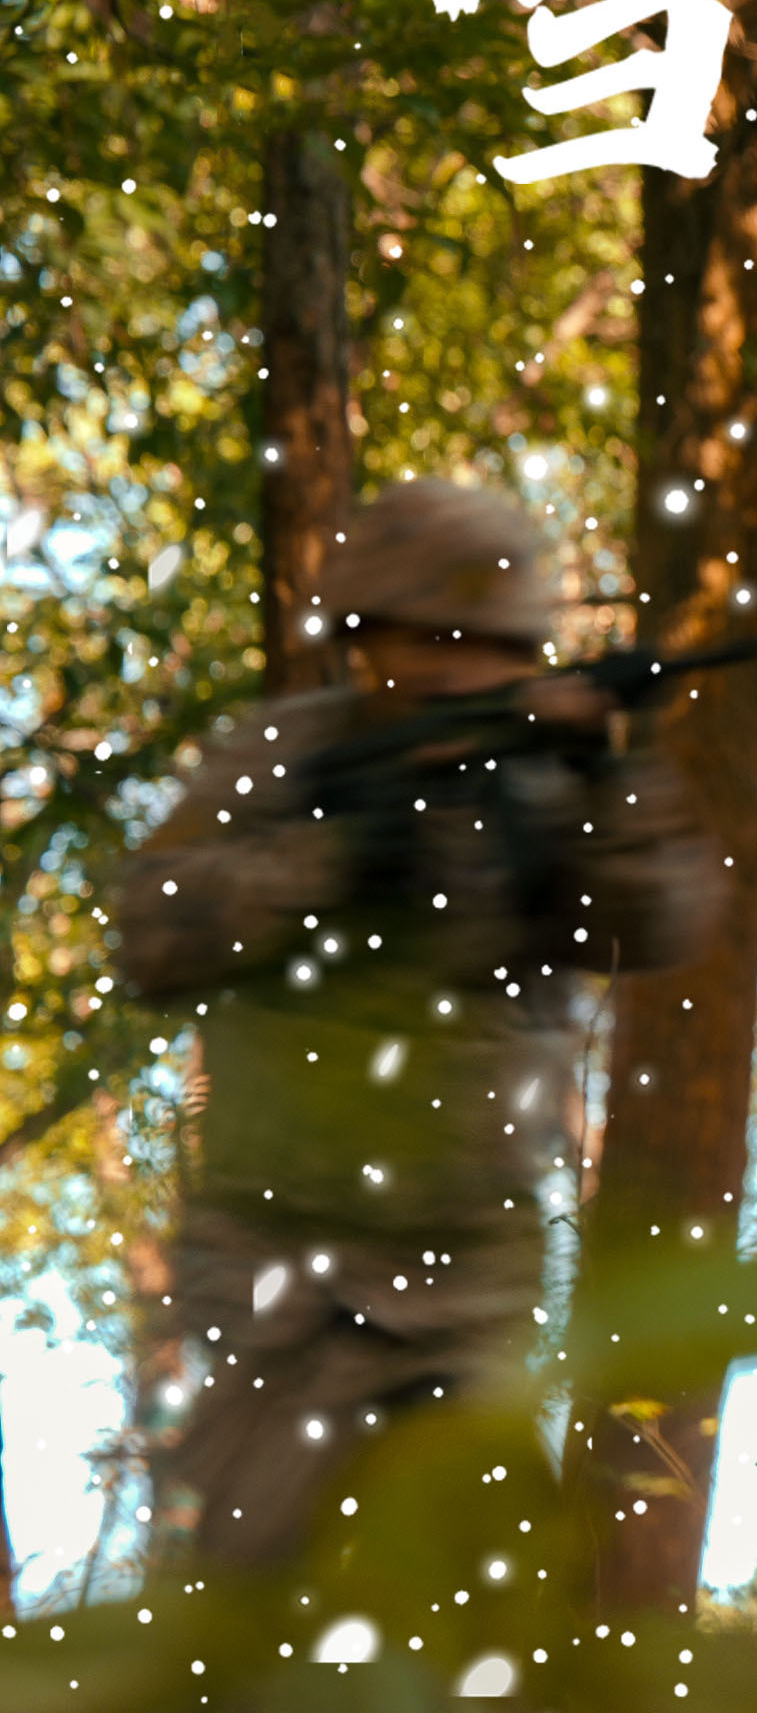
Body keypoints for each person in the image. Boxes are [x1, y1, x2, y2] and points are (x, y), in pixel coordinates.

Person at [117, 478, 716, 1571]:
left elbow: (660, 920)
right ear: (364, 635)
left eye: (486, 645)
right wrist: (328, 859)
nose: (455, 669)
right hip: (276, 1275)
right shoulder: (281, 758)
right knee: (240, 1617)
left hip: (463, 1279)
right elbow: (149, 936)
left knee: (480, 1619)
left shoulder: (542, 779)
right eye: (428, 638)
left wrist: (609, 770)